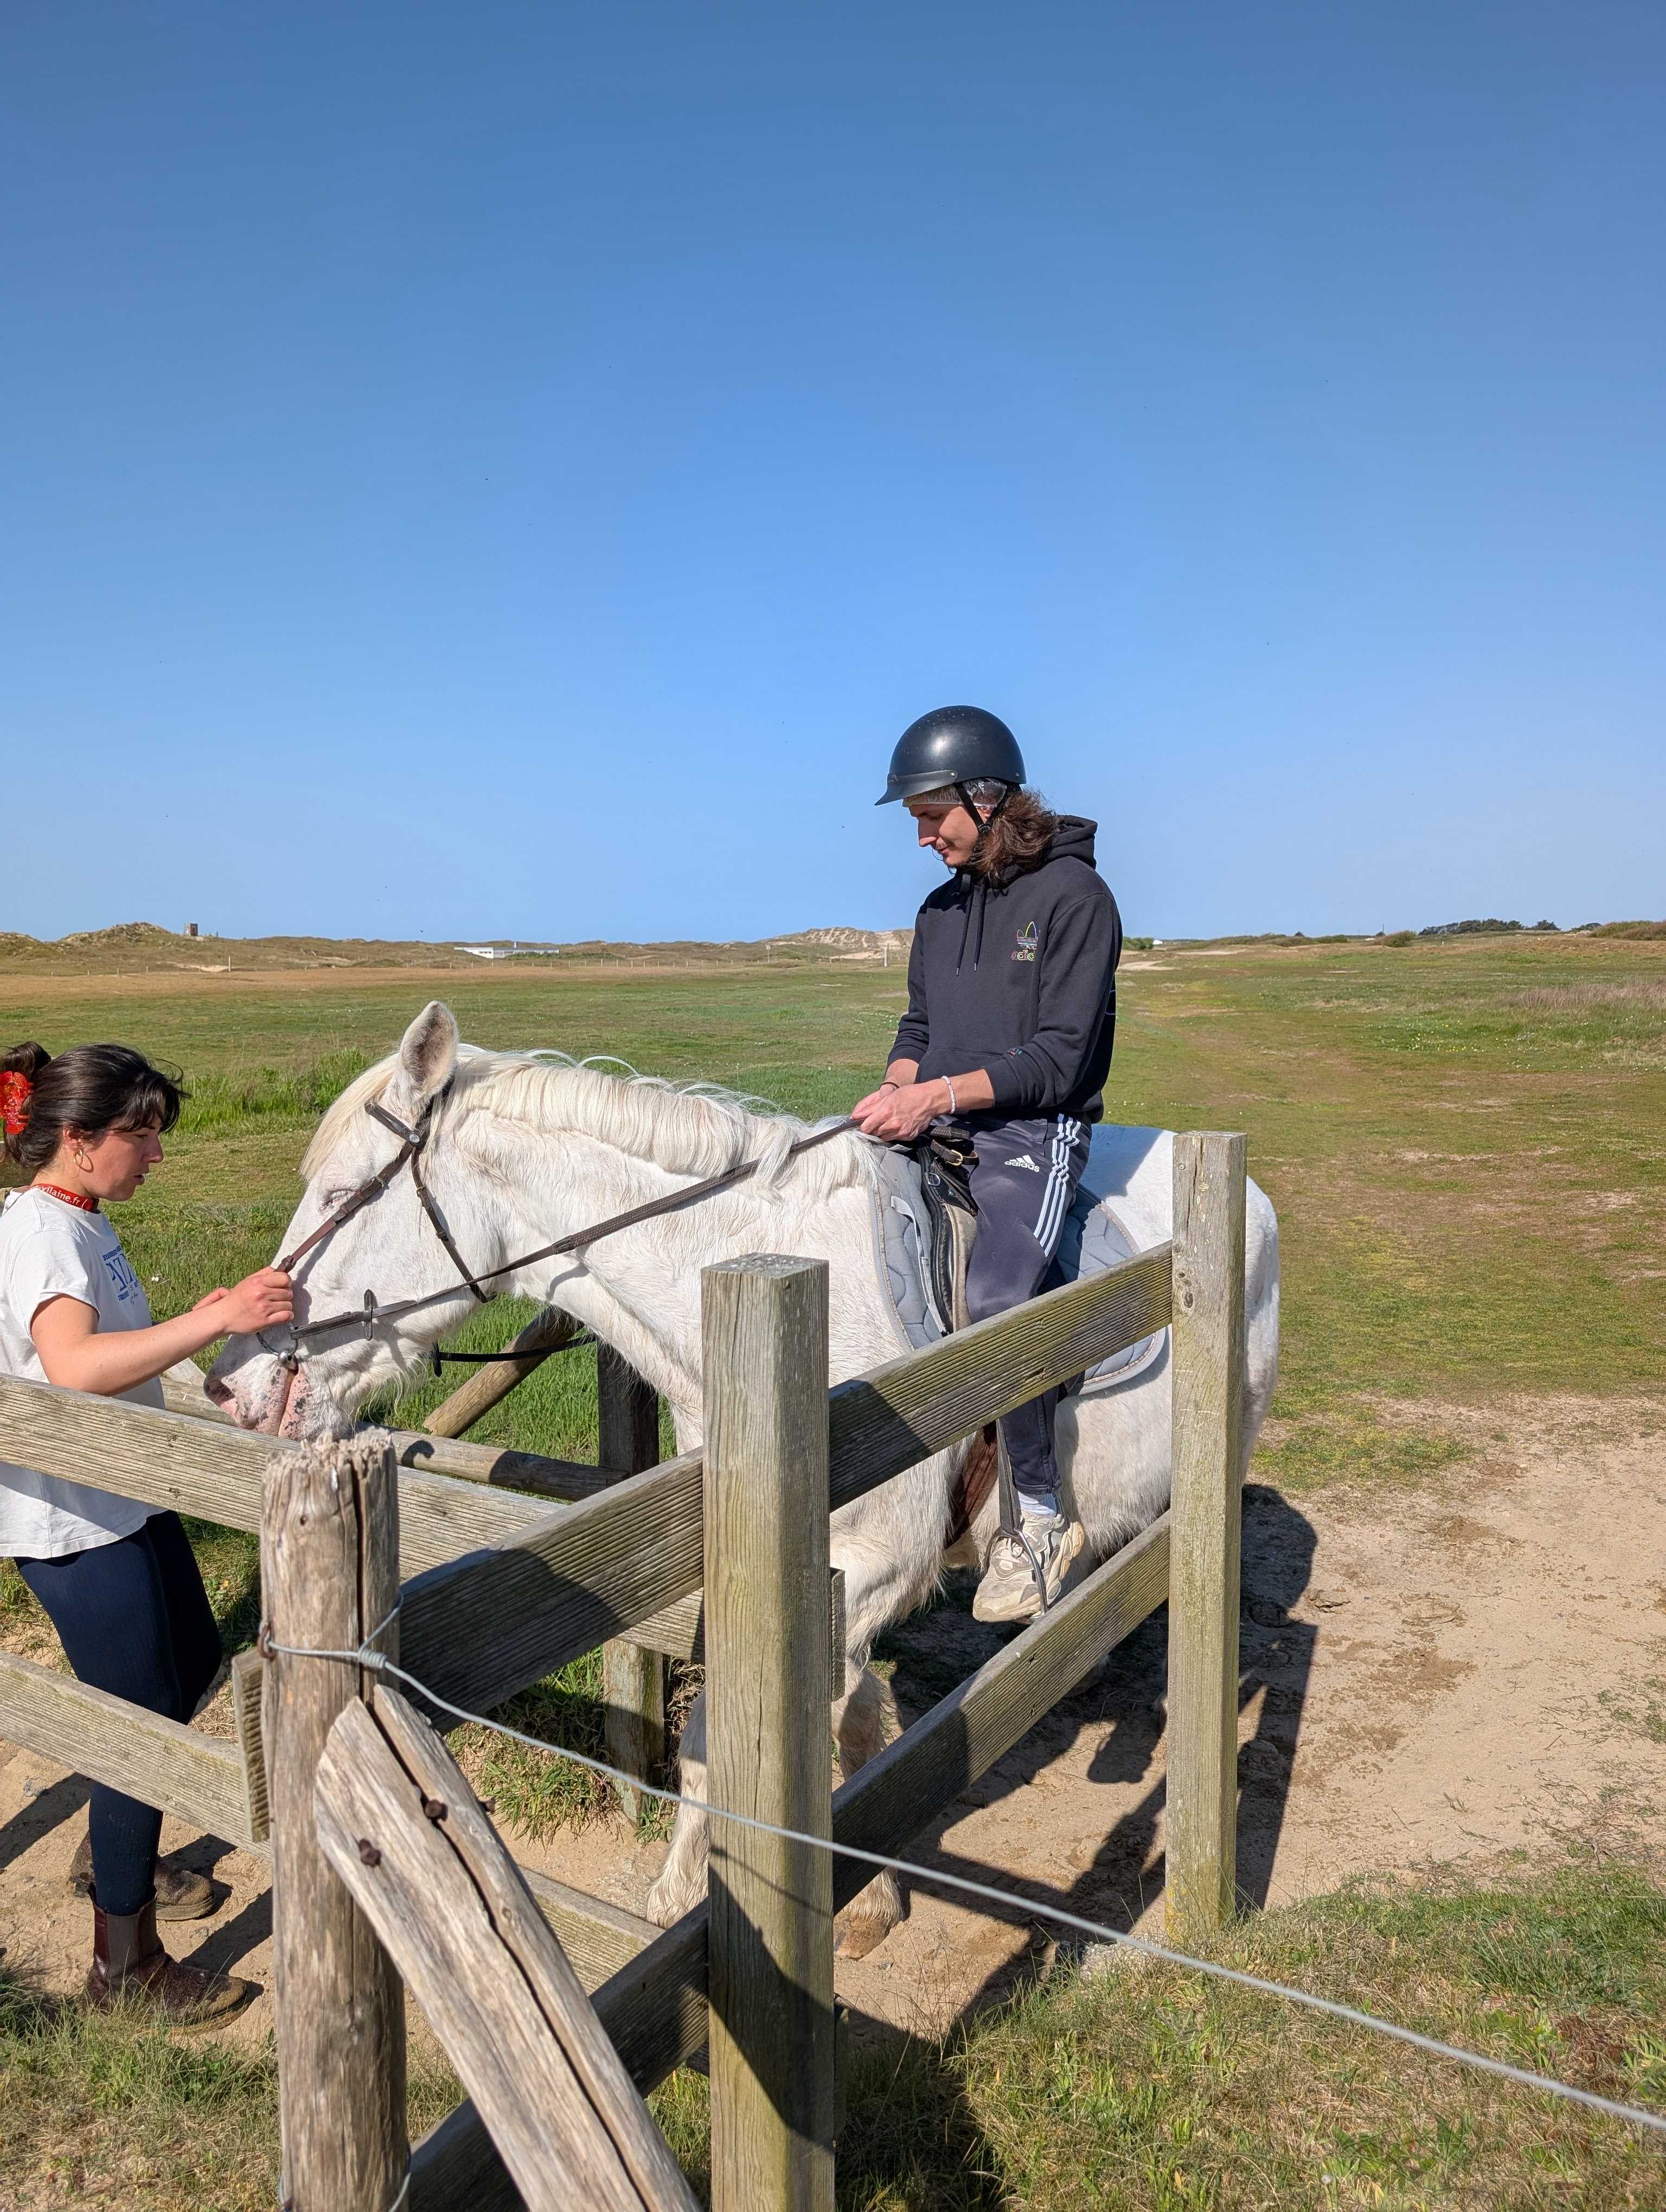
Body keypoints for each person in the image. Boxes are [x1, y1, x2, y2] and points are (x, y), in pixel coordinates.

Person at [0, 1040, 293, 2023]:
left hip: (122, 1495)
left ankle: (115, 1846)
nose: (157, 1155)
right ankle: (124, 1970)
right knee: (140, 1728)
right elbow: (75, 1367)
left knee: (192, 1664)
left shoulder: (80, 1218)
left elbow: (105, 1353)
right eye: (142, 1134)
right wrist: (216, 1321)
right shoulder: (46, 1232)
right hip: (74, 1520)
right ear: (79, 1140)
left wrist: (198, 1329)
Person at [852, 706, 1123, 1623]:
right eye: (916, 821)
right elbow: (919, 1028)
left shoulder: (1077, 900)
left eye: (933, 817)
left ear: (988, 797)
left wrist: (933, 1097)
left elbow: (1060, 1060)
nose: (923, 838)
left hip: (1031, 1134)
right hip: (937, 1125)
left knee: (1002, 1300)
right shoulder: (938, 912)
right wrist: (893, 1092)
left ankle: (1039, 1518)